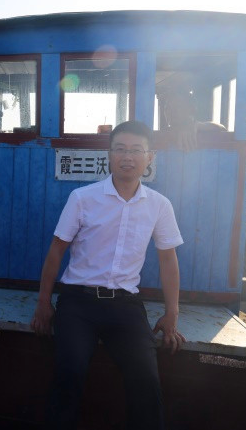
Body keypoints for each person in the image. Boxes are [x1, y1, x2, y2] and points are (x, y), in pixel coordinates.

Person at [31, 120, 186, 430]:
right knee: (69, 373)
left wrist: (172, 313)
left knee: (146, 379)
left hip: (125, 305)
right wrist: (44, 303)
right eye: (120, 149)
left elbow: (168, 260)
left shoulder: (159, 205)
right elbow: (56, 251)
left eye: (136, 150)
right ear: (109, 154)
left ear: (149, 157)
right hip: (79, 303)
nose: (128, 157)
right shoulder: (83, 198)